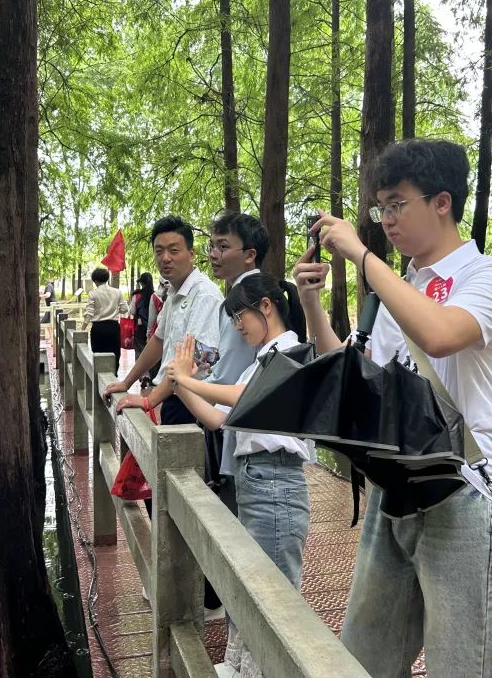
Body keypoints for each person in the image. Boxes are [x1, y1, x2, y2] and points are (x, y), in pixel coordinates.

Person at [294, 139, 492, 677]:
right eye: (381, 208)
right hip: (391, 491)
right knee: (362, 660)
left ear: (441, 202)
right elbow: (356, 381)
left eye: (397, 203)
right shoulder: (400, 288)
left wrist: (362, 257)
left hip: (463, 491)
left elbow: (441, 336)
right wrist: (309, 305)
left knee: (460, 666)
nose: (386, 219)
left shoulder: (491, 276)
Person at [165, 274, 312, 678]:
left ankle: (261, 670)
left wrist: (190, 379)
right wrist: (179, 385)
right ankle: (240, 665)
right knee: (251, 582)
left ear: (266, 307)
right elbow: (216, 419)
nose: (237, 327)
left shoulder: (292, 352)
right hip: (254, 481)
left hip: (277, 484)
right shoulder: (259, 363)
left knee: (274, 594)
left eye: (239, 317)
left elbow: (247, 398)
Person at [103, 214, 224, 617]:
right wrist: (129, 380)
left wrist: (150, 399)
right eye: (159, 251)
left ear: (192, 252)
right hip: (170, 400)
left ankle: (206, 599)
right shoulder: (173, 295)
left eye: (174, 250)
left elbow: (193, 363)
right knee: (165, 497)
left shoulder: (204, 296)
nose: (166, 258)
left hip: (190, 405)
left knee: (192, 499)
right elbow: (157, 342)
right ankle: (177, 585)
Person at [202, 212, 270, 504]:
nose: (214, 255)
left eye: (223, 246)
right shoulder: (257, 290)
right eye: (212, 247)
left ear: (249, 255)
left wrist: (188, 385)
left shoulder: (244, 300)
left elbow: (229, 374)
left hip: (240, 425)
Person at [82, 267, 127, 375]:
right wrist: (115, 310)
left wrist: (82, 328)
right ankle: (114, 375)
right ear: (107, 278)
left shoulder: (93, 294)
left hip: (98, 328)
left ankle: (100, 380)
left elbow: (89, 313)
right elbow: (125, 309)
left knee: (99, 354)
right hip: (113, 327)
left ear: (95, 280)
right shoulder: (117, 292)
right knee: (114, 354)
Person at [131, 273, 155, 358]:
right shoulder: (155, 296)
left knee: (140, 350)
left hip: (140, 326)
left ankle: (141, 370)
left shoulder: (137, 295)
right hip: (154, 328)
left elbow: (132, 311)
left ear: (141, 283)